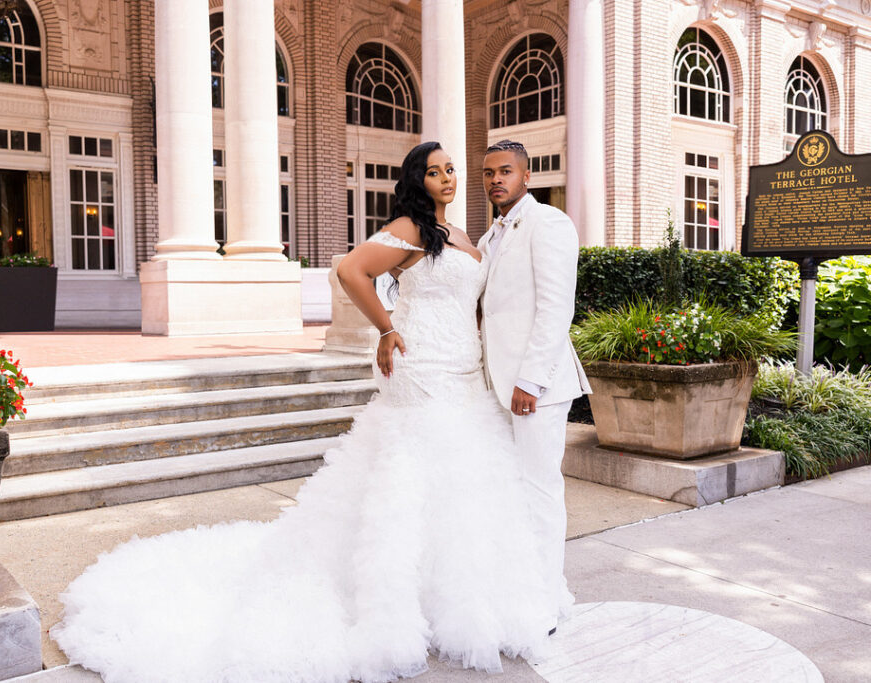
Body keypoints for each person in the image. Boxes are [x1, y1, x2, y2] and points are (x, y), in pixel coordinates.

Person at [51, 142, 558, 683]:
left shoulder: (464, 237)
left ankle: (455, 595)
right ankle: (394, 601)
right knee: (414, 478)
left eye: (452, 170)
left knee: (465, 483)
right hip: (422, 370)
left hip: (464, 370)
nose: (447, 179)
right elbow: (351, 270)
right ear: (417, 181)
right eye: (434, 173)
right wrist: (387, 329)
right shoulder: (410, 229)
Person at [478, 139, 592, 634]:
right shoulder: (488, 238)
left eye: (505, 171)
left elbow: (555, 307)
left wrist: (531, 381)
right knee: (509, 492)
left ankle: (544, 600)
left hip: (535, 388)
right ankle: (515, 590)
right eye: (488, 173)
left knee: (540, 490)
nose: (495, 179)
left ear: (526, 176)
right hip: (493, 386)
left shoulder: (548, 223)